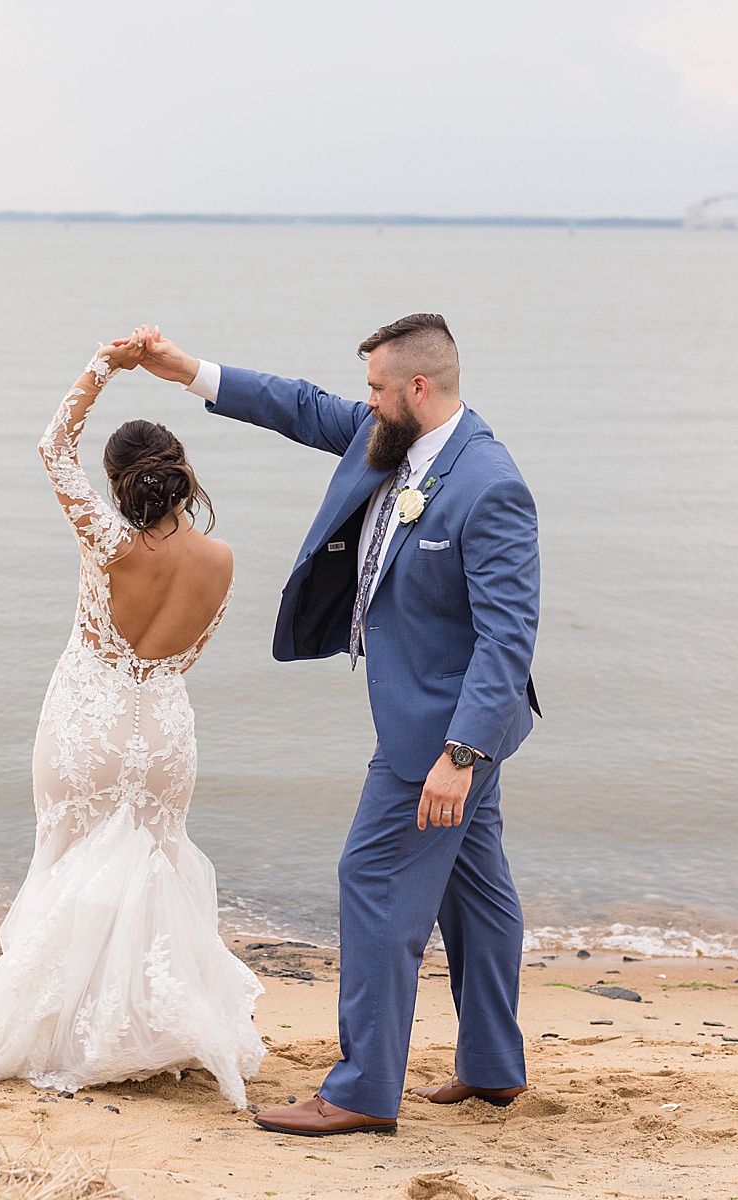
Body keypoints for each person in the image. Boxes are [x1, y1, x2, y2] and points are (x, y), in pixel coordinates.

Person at [130, 315, 542, 1136]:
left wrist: (460, 754)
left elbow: (508, 636)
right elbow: (299, 405)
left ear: (417, 390)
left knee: (374, 881)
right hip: (439, 722)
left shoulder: (489, 485)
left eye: (377, 390)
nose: (364, 403)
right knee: (477, 891)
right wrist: (187, 370)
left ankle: (358, 1091)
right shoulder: (389, 438)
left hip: (441, 734)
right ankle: (493, 1067)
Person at [0, 337, 265, 1107]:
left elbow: (53, 446)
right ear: (184, 472)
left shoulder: (108, 541)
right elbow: (191, 654)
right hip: (164, 725)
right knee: (156, 865)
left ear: (121, 483)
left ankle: (66, 1032)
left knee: (71, 859)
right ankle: (154, 1028)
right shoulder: (220, 560)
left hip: (88, 715)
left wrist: (103, 365)